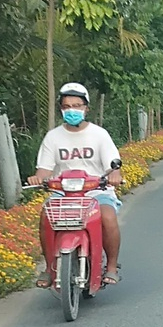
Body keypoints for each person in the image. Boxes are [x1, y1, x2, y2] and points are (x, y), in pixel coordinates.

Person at [27, 83, 124, 287]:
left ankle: (112, 266)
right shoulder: (53, 137)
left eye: (77, 105)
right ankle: (49, 266)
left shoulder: (99, 134)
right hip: (63, 193)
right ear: (61, 109)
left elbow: (113, 165)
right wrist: (38, 178)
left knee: (108, 217)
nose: (72, 110)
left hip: (96, 191)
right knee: (46, 216)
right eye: (67, 106)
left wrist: (114, 174)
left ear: (86, 108)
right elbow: (44, 169)